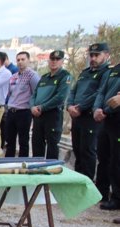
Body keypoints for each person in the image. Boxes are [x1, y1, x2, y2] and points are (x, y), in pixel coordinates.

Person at [66, 43, 111, 180]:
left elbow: (99, 93)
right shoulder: (84, 73)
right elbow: (73, 90)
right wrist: (69, 106)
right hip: (77, 117)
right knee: (78, 151)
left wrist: (79, 107)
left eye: (97, 55)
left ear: (107, 55)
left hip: (90, 117)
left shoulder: (107, 73)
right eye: (91, 55)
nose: (93, 58)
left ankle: (87, 184)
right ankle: (78, 181)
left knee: (87, 152)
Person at [30, 50, 72, 159]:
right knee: (37, 144)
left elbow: (60, 97)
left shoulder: (65, 76)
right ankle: (36, 169)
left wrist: (41, 107)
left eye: (57, 59)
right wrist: (32, 106)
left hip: (52, 115)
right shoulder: (44, 77)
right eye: (52, 59)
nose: (54, 62)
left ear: (62, 61)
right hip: (38, 116)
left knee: (52, 146)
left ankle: (51, 171)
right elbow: (34, 95)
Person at [93, 60, 120, 213]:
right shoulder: (114, 69)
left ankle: (117, 197)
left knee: (117, 160)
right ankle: (101, 193)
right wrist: (97, 108)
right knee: (104, 158)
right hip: (106, 119)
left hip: (117, 118)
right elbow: (102, 91)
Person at [4, 51, 40, 157]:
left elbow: (36, 93)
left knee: (23, 141)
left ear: (28, 60)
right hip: (11, 111)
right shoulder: (13, 76)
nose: (20, 62)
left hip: (24, 112)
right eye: (18, 60)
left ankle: (22, 163)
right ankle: (8, 163)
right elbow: (10, 93)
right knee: (9, 140)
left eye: (23, 59)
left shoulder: (32, 76)